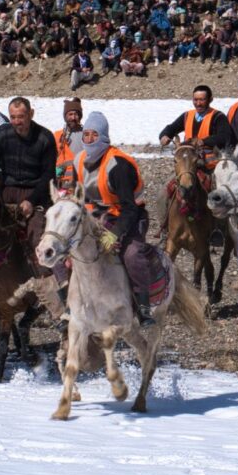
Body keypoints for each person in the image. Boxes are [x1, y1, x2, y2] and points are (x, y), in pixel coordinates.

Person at [73, 111, 159, 325]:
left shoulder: (118, 166)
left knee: (131, 255)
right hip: (94, 217)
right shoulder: (78, 160)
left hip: (126, 217)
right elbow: (79, 194)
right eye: (86, 135)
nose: (89, 139)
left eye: (95, 135)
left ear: (104, 137)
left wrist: (114, 235)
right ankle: (70, 301)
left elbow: (129, 208)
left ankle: (143, 306)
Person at [0, 97, 58, 274]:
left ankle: (44, 278)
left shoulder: (45, 138)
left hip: (36, 191)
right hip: (8, 189)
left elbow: (48, 176)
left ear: (31, 114)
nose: (16, 122)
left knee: (36, 234)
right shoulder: (3, 134)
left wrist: (31, 200)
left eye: (21, 117)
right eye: (13, 117)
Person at [158, 84, 232, 164]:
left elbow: (224, 137)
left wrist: (204, 141)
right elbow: (171, 128)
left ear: (210, 100)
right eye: (195, 100)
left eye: (202, 100)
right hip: (189, 160)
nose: (198, 103)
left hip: (211, 163)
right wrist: (164, 136)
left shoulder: (218, 117)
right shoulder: (187, 115)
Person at [54, 97, 84, 189]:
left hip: (82, 182)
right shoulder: (57, 136)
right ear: (65, 116)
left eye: (76, 114)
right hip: (63, 185)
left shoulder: (87, 134)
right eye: (70, 114)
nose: (73, 118)